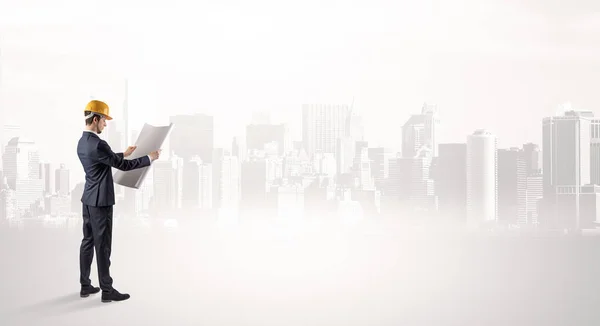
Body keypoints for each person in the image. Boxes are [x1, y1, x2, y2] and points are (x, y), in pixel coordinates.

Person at [76, 100, 161, 303]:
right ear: (96, 119)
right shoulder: (99, 143)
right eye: (104, 120)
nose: (105, 125)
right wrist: (149, 158)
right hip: (101, 202)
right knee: (103, 246)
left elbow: (104, 159)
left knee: (87, 242)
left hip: (88, 200)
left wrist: (124, 152)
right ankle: (107, 290)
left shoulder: (82, 142)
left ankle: (85, 285)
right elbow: (122, 166)